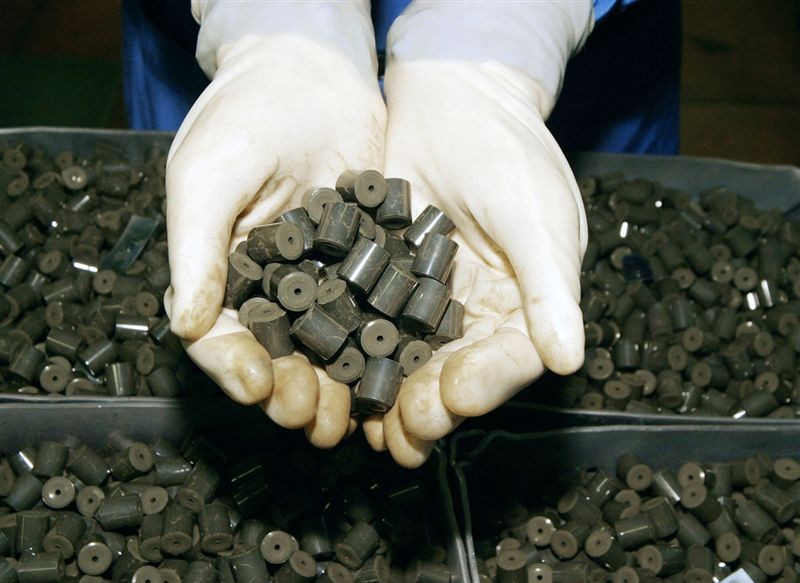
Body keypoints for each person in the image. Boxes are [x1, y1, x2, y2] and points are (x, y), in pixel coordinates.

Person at [122, 1, 680, 467]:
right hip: (218, 53)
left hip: (587, 71)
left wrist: (500, 34)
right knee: (218, 187)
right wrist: (274, 24)